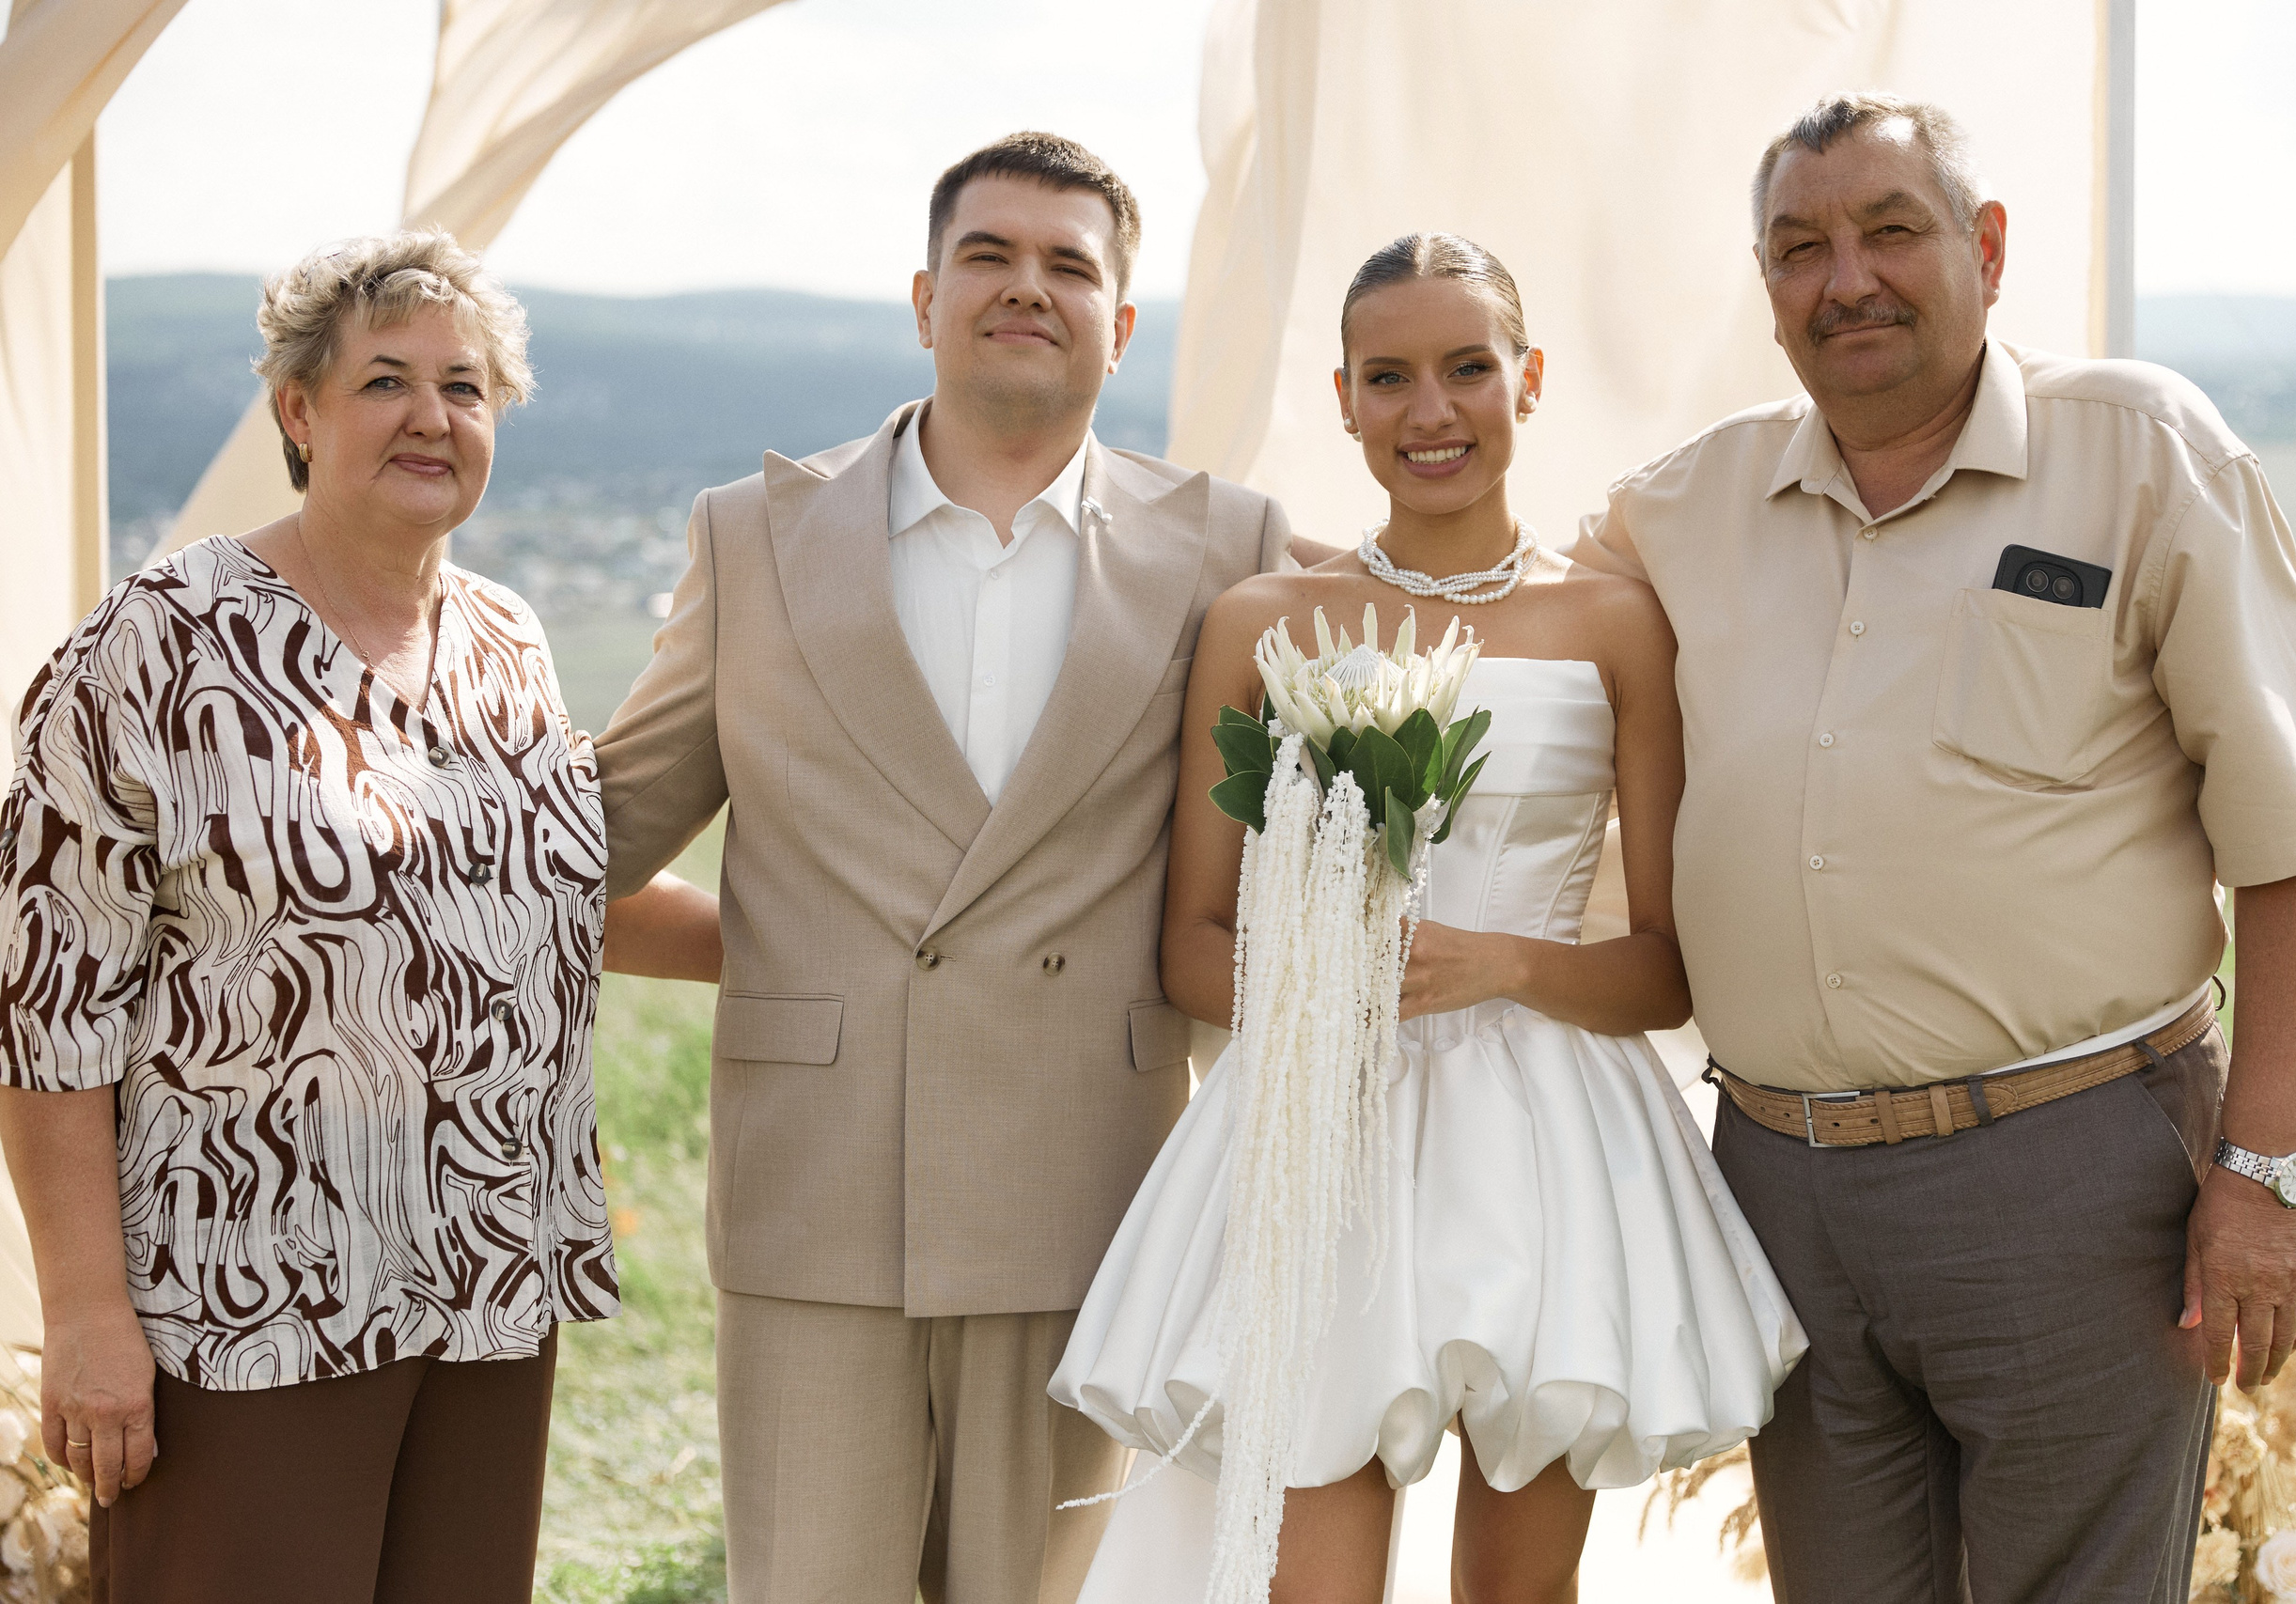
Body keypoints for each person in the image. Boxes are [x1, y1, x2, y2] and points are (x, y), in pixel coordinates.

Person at [1572, 94, 2296, 1604]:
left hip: (2072, 1178)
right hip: (1775, 1191)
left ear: (1987, 248)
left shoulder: (2143, 453)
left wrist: (2268, 1176)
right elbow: (1490, 606)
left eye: (1891, 231)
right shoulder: (1684, 507)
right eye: (1801, 249)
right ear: (1768, 290)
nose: (1847, 280)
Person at [594, 132, 1310, 1603]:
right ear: (924, 298)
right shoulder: (751, 536)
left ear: (1121, 318)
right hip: (818, 1199)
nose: (1025, 289)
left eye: (1071, 266)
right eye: (989, 256)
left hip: (1087, 1199)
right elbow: (582, 854)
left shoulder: (1229, 549)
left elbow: (1303, 863)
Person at [1052, 232, 1805, 1604]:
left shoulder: (1621, 623)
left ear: (1528, 380)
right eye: (1388, 377)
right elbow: (1191, 944)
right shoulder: (1264, 621)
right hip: (1313, 1142)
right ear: (1343, 398)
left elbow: (1664, 971)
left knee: (1519, 1596)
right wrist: (1328, 981)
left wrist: (1506, 960)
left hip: (1552, 1150)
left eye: (1467, 369)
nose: (1431, 411)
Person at [0, 230, 722, 1603]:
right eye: (385, 380)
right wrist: (89, 1313)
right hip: (246, 1302)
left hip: (485, 1283)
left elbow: (564, 894)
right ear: (299, 411)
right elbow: (46, 1000)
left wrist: (845, 945)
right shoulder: (158, 644)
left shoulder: (506, 638)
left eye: (464, 387)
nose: (431, 417)